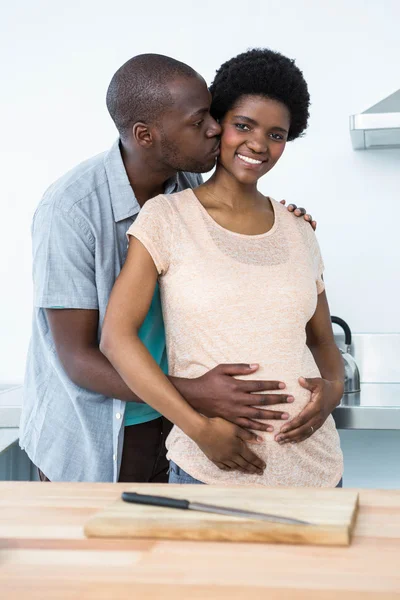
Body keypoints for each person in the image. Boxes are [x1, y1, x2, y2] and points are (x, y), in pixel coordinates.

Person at [19, 54, 314, 483]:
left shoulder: (186, 190)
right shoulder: (70, 210)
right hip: (105, 429)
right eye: (199, 122)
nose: (216, 128)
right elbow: (78, 359)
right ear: (146, 135)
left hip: (180, 422)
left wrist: (285, 227)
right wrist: (199, 395)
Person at [101, 48, 344, 487]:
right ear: (219, 124)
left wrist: (335, 389)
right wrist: (200, 430)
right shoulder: (166, 218)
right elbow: (117, 340)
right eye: (244, 125)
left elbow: (323, 340)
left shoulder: (299, 230)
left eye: (277, 134)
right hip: (210, 471)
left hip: (318, 471)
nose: (258, 144)